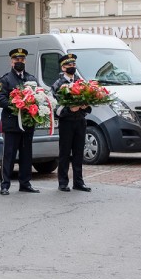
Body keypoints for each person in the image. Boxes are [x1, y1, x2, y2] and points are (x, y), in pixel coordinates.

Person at [0, 47, 40, 195]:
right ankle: (5, 185)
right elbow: (0, 100)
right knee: (9, 155)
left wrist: (31, 106)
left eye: (21, 59)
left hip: (27, 124)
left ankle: (25, 183)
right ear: (11, 62)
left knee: (27, 155)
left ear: (25, 61)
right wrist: (17, 106)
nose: (19, 62)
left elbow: (38, 98)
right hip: (12, 124)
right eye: (16, 59)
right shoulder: (5, 80)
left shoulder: (31, 79)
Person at [51, 54, 92, 192]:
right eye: (69, 65)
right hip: (66, 123)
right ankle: (63, 182)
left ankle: (78, 182)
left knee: (79, 153)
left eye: (73, 64)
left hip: (80, 121)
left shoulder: (81, 82)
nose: (72, 67)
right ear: (63, 67)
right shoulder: (58, 84)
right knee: (64, 153)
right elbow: (55, 107)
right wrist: (69, 109)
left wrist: (86, 106)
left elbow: (89, 102)